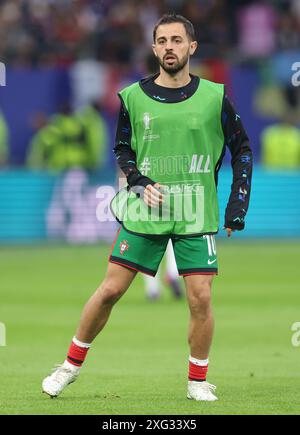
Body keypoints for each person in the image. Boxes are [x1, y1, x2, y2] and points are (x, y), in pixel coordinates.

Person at [42, 13, 253, 402]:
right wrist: (138, 182)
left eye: (177, 40)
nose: (169, 47)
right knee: (109, 291)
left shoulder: (215, 97)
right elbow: (122, 149)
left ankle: (197, 381)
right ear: (154, 47)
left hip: (194, 210)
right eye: (162, 40)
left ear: (192, 47)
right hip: (146, 211)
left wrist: (236, 205)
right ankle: (68, 367)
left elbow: (242, 150)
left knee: (201, 298)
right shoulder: (132, 98)